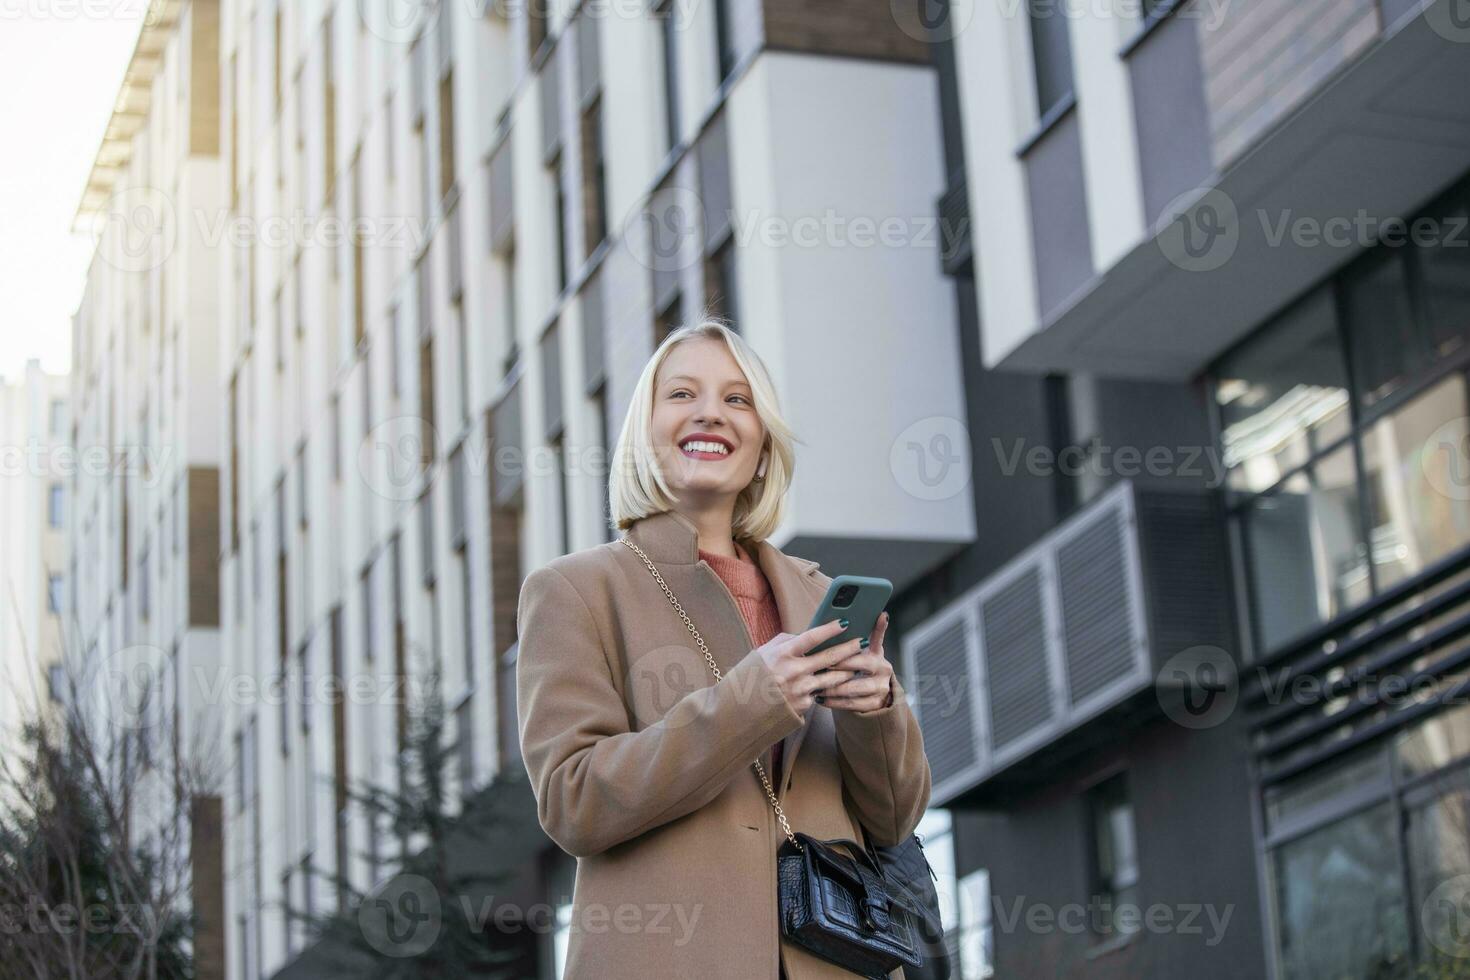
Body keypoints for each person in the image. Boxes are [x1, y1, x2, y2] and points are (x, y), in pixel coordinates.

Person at [516, 316, 932, 978]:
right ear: (644, 432)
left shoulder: (815, 591)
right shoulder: (574, 591)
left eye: (737, 400)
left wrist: (875, 708)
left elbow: (893, 817)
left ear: (762, 444)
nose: (711, 414)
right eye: (682, 395)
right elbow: (574, 803)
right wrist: (749, 703)